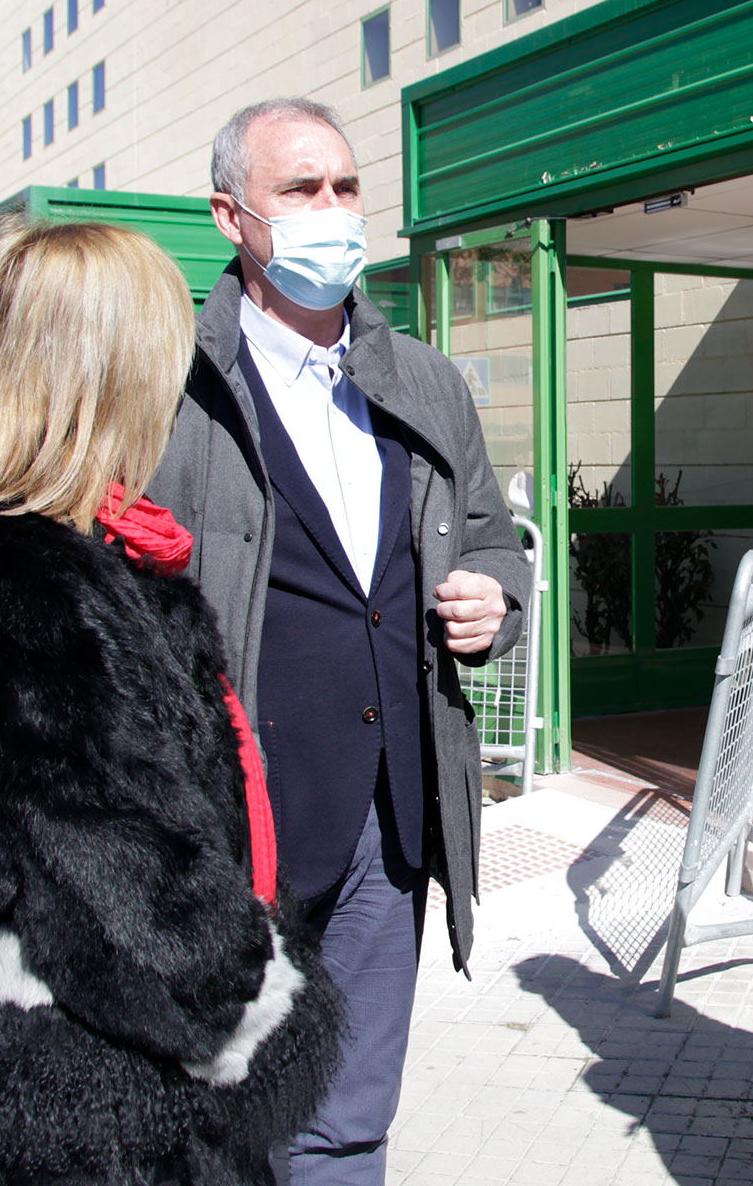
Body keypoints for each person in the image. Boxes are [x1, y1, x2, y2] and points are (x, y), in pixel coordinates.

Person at [0, 218, 343, 1185]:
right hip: (73, 1125)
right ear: (114, 368)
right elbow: (133, 908)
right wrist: (260, 1000)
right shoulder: (21, 583)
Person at [145, 97, 529, 1185]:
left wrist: (497, 599)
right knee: (212, 1116)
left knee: (348, 1124)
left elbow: (498, 541)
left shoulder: (426, 381)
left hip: (389, 821)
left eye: (347, 187)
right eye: (300, 189)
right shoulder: (171, 384)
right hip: (228, 821)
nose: (332, 211)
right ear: (230, 213)